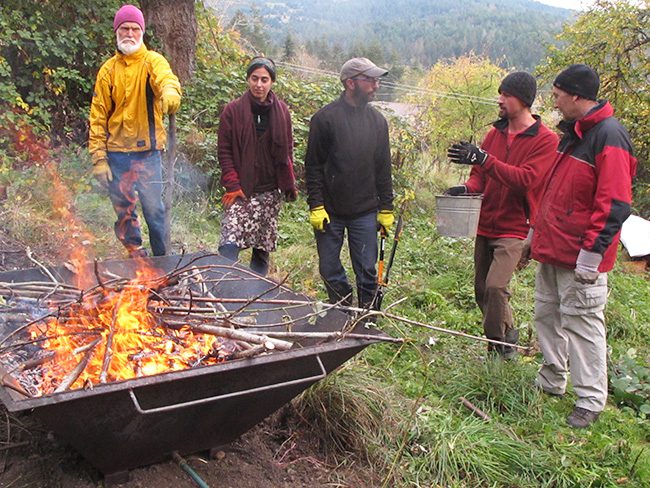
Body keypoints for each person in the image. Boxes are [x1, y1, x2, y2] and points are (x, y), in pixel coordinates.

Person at [529, 64, 637, 428]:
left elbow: (614, 203)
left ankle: (590, 399)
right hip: (553, 248)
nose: (555, 101)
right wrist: (534, 236)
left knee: (583, 324)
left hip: (580, 257)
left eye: (559, 94)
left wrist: (590, 258)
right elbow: (553, 193)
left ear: (576, 95)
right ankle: (551, 380)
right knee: (547, 315)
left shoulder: (609, 137)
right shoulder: (575, 133)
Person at [446, 72, 558, 359]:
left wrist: (485, 158)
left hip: (516, 227)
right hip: (486, 222)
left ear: (522, 99)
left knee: (496, 287)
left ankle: (498, 347)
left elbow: (526, 180)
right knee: (481, 290)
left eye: (505, 95)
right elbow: (480, 176)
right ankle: (507, 334)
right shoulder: (494, 134)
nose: (499, 99)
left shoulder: (546, 140)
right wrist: (466, 188)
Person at [89, 4, 181, 258]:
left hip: (147, 153)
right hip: (116, 154)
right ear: (116, 32)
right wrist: (98, 158)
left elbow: (166, 78)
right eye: (124, 28)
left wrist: (170, 92)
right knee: (123, 210)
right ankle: (136, 256)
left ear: (141, 32)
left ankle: (163, 260)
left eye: (134, 28)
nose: (129, 33)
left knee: (155, 211)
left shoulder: (152, 61)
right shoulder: (107, 71)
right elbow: (98, 117)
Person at [305, 57, 394, 309]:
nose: (376, 85)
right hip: (330, 211)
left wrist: (386, 208)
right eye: (371, 80)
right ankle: (342, 309)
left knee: (367, 269)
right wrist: (316, 205)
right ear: (351, 83)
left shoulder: (378, 122)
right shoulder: (325, 119)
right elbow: (313, 166)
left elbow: (383, 167)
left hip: (364, 211)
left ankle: (367, 318)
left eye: (377, 80)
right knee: (329, 268)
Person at [217, 57, 297, 276]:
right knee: (229, 242)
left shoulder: (282, 112)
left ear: (272, 82)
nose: (259, 84)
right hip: (242, 190)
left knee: (261, 249)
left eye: (264, 79)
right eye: (254, 78)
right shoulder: (232, 111)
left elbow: (287, 151)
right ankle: (222, 284)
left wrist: (288, 183)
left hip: (270, 191)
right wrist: (232, 185)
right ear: (247, 79)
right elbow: (224, 152)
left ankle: (255, 295)